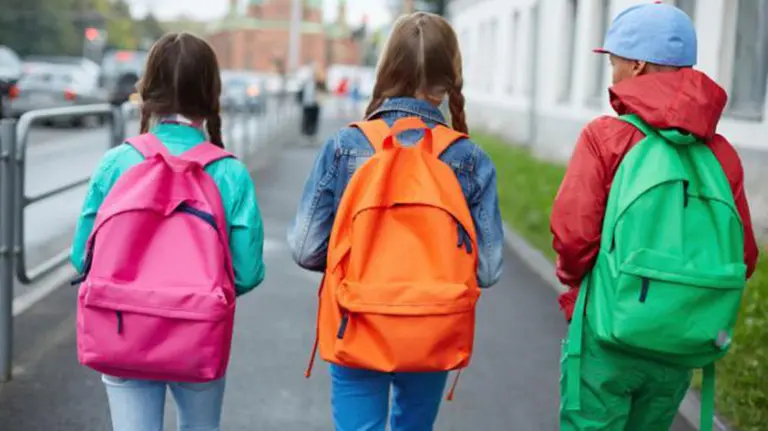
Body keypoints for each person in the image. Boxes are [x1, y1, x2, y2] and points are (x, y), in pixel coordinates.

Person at [288, 12, 503, 431]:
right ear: (450, 79)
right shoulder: (470, 159)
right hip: (432, 323)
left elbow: (304, 247)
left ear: (386, 69)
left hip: (356, 318)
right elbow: (489, 269)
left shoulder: (346, 145)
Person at [551, 4, 759, 431]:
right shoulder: (721, 155)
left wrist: (576, 292)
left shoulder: (605, 138)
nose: (612, 73)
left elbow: (574, 239)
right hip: (680, 341)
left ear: (637, 65)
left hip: (609, 332)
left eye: (614, 62)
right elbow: (745, 256)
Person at [71, 32, 265, 431]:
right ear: (212, 91)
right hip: (198, 332)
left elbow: (82, 259)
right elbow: (246, 272)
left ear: (147, 90)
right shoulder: (228, 172)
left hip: (123, 329)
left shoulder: (117, 162)